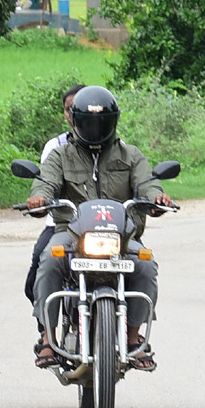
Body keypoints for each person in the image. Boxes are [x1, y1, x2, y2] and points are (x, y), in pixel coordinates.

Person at [27, 85, 174, 371]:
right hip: (71, 235)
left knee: (146, 265)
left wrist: (157, 197)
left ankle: (133, 338)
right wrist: (40, 198)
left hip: (122, 238)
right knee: (48, 260)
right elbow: (46, 182)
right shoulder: (60, 155)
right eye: (88, 122)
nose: (94, 128)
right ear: (75, 120)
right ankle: (48, 338)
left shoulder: (131, 156)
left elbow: (147, 183)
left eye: (101, 122)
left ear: (112, 122)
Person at [24, 84, 85, 310]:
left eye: (79, 108)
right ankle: (46, 332)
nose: (74, 115)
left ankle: (130, 329)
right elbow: (46, 180)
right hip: (63, 224)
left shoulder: (119, 148)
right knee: (41, 264)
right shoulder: (57, 147)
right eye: (69, 110)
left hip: (104, 226)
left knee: (139, 264)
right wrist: (39, 198)